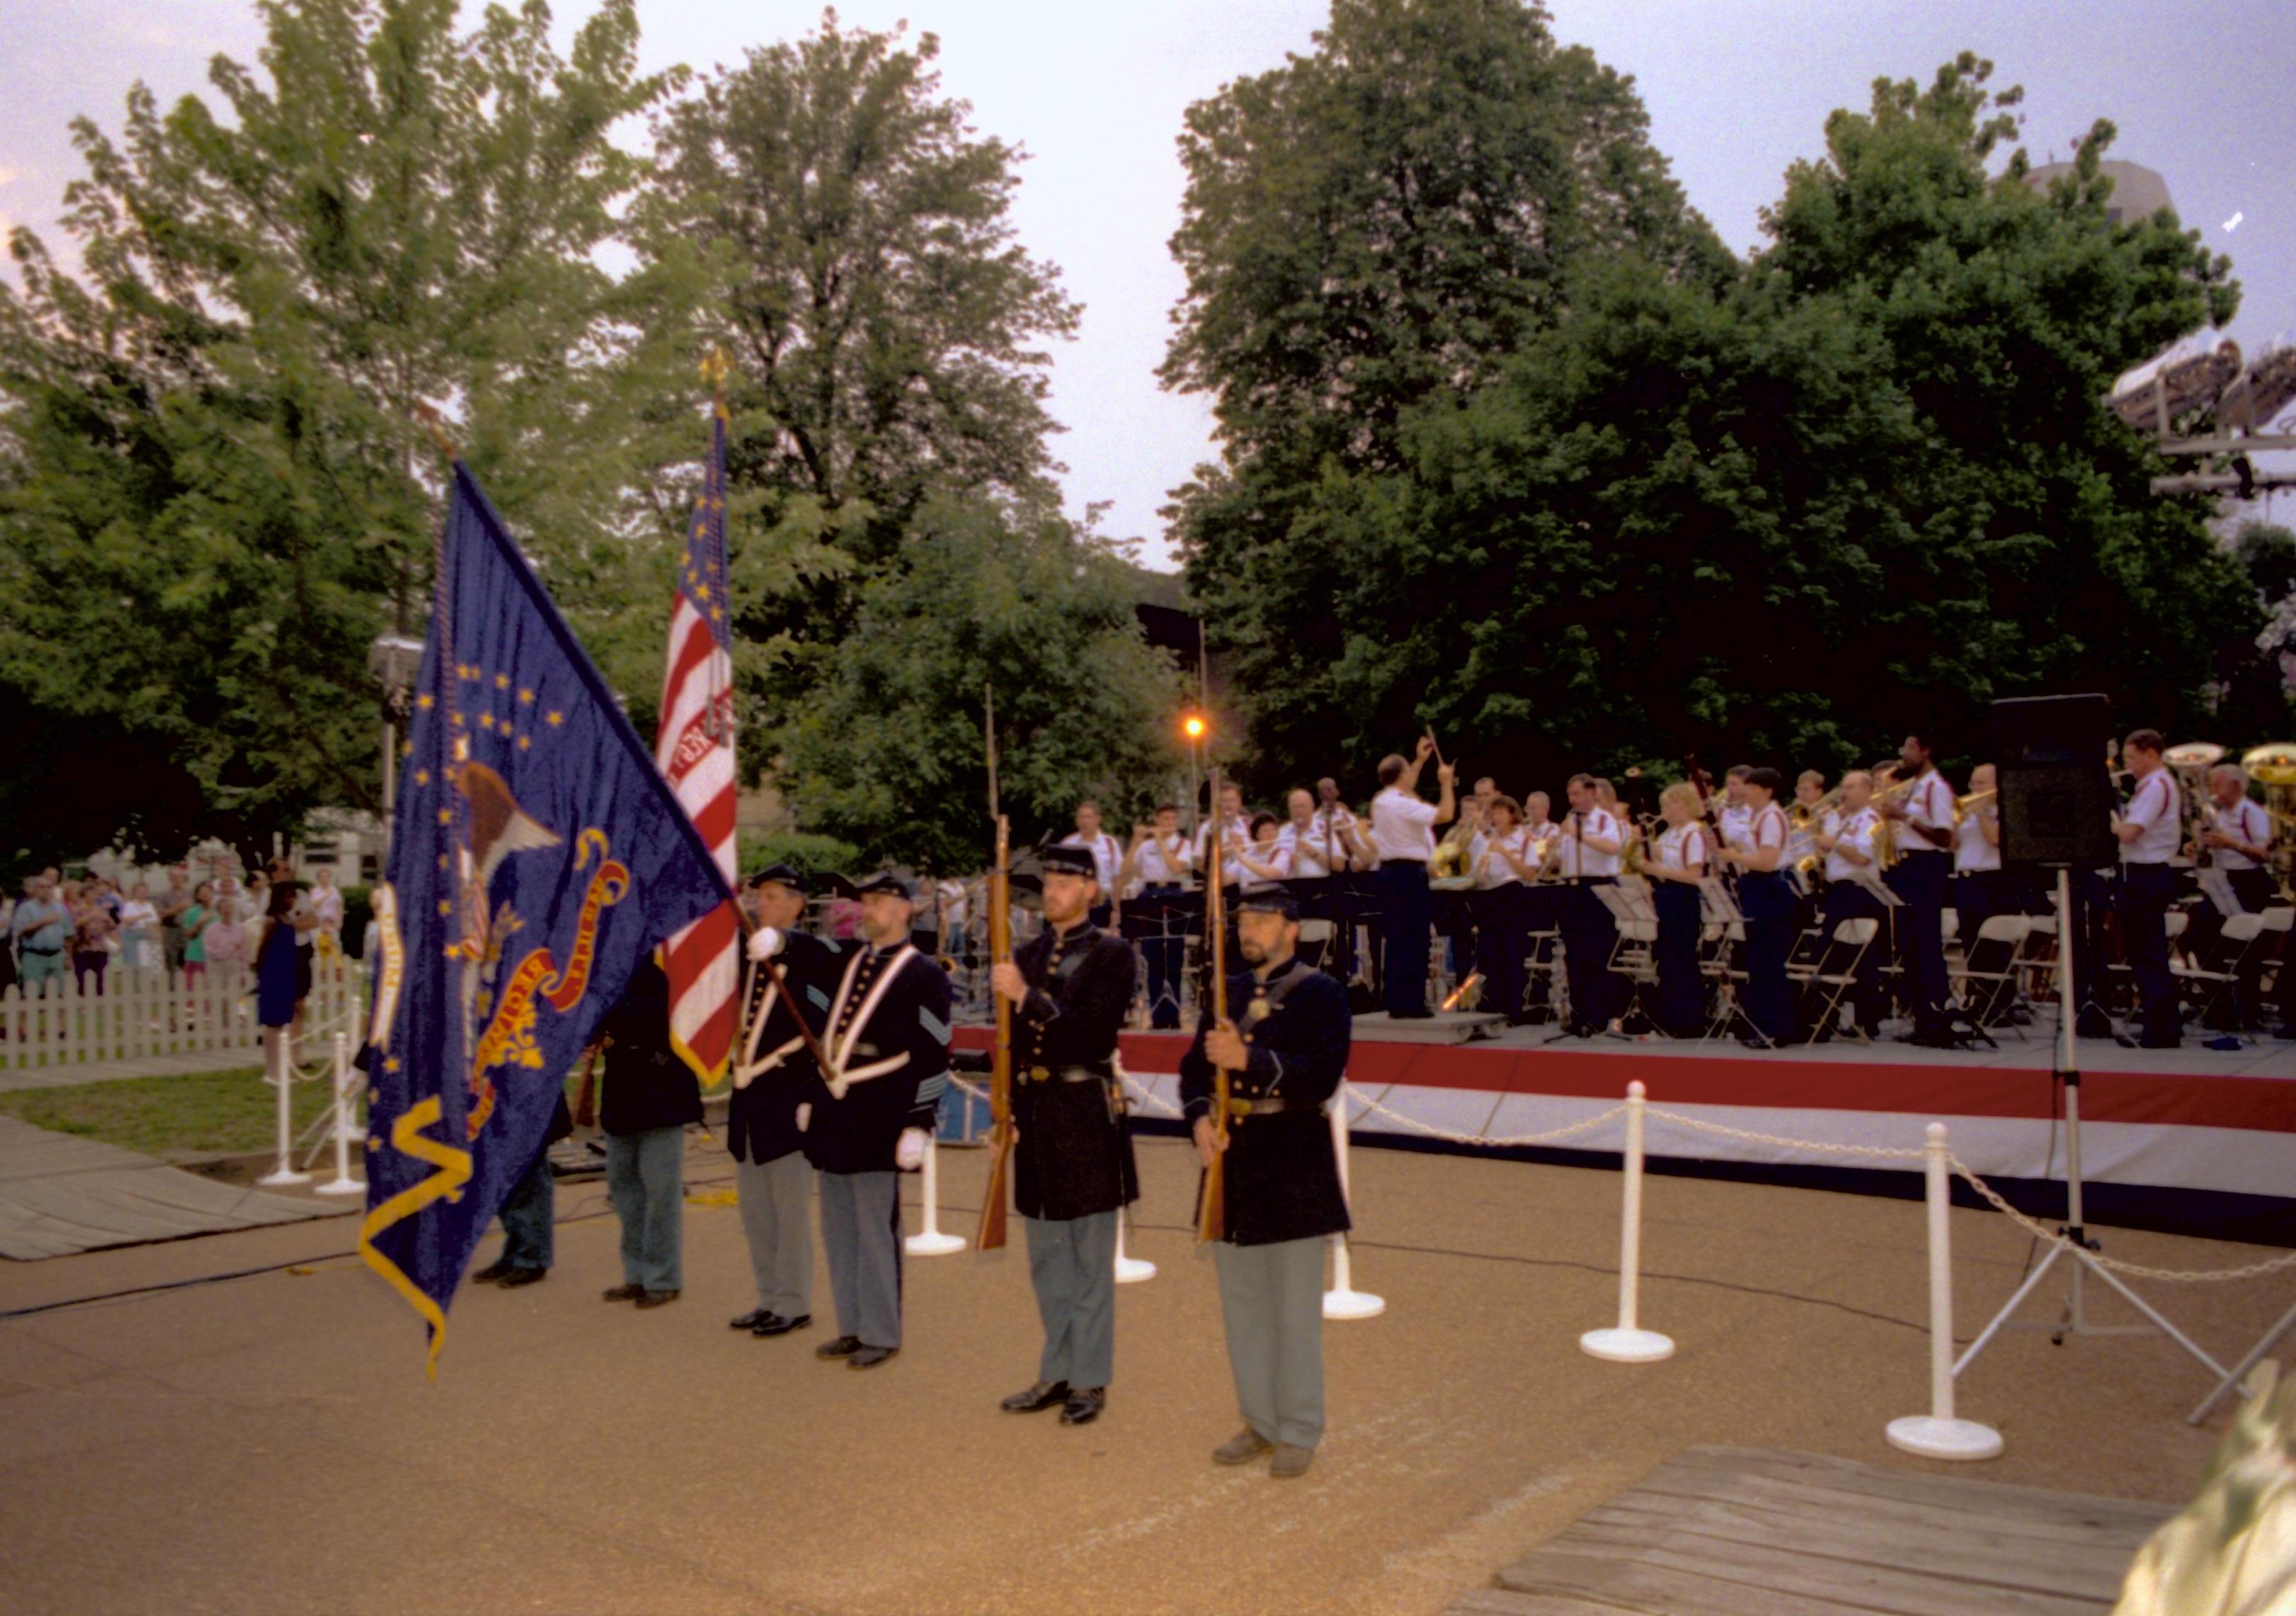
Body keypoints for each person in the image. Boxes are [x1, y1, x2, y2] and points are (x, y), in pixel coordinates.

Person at [1178, 883, 1351, 1481]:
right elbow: (1192, 1069)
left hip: (1294, 1163)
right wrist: (1200, 1116)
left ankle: (1300, 1427)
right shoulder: (1225, 992)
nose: (1247, 929)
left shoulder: (1322, 993)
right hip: (1234, 1164)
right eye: (1243, 919)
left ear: (1290, 929)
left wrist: (1247, 1061)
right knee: (1244, 1307)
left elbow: (1320, 1076)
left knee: (1294, 1312)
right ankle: (1260, 1420)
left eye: (1259, 920)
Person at [990, 844, 1139, 1427]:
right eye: (1048, 881)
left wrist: (1026, 997)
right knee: (1047, 1261)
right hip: (1038, 1117)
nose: (1051, 890)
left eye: (1064, 882)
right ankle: (1056, 1370)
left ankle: (1090, 1379)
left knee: (1088, 1260)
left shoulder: (1113, 954)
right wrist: (1006, 1113)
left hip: (1085, 1114)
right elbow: (1011, 1047)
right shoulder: (1026, 952)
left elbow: (1093, 1035)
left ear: (1089, 891)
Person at [801, 872, 952, 1370]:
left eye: (880, 902)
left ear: (907, 909)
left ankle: (882, 1332)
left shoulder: (924, 974)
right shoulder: (849, 964)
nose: (869, 910)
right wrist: (810, 1094)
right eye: (865, 902)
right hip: (838, 1108)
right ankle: (850, 1325)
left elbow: (934, 1054)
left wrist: (919, 1122)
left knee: (874, 1227)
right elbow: (823, 1032)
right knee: (838, 1227)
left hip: (882, 1111)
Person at [728, 865, 840, 1339]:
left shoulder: (810, 955)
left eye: (773, 897)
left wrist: (785, 944)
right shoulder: (746, 956)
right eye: (759, 897)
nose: (763, 905)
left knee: (789, 1209)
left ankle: (794, 1302)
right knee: (756, 1208)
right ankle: (768, 1295)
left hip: (787, 1092)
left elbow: (827, 969)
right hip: (750, 1096)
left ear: (797, 903)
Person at [596, 954, 702, 1307]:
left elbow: (652, 1019)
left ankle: (663, 1277)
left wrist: (608, 1023)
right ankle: (636, 1274)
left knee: (660, 1190)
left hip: (660, 1087)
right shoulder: (609, 967)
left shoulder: (665, 966)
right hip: (621, 1088)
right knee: (624, 1187)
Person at [1876, 734, 1956, 1045]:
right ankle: (1921, 1018)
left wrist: (1903, 817)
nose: (1903, 754)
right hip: (1908, 866)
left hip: (1927, 866)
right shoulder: (1916, 786)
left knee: (1925, 941)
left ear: (1926, 751)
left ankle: (1936, 1015)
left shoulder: (1937, 787)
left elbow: (1944, 837)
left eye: (1909, 748)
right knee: (1909, 944)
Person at [1370, 736, 1455, 1019]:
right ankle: (1412, 1003)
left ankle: (1397, 1000)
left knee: (1396, 938)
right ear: (1402, 775)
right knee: (1416, 938)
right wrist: (1445, 781)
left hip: (1390, 873)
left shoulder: (1382, 801)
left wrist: (1419, 761)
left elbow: (1406, 785)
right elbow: (1445, 814)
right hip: (1408, 873)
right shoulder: (1402, 805)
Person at [2112, 729, 2182, 1048]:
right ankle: (2158, 1019)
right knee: (2142, 951)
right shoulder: (2150, 786)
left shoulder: (2156, 786)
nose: (2129, 765)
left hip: (2147, 872)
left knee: (2148, 950)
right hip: (2140, 871)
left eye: (2132, 758)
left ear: (2150, 753)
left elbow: (2129, 833)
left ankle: (2161, 1026)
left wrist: (2112, 819)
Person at [1718, 767, 1794, 1045]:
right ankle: (1761, 1023)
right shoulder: (1758, 816)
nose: (1745, 792)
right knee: (1758, 960)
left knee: (1769, 959)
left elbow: (1767, 861)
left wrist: (1733, 855)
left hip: (1769, 888)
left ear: (1766, 791)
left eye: (1751, 788)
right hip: (1758, 887)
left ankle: (1776, 1027)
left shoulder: (1772, 818)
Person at [470, 1087, 573, 1289]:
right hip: (499, 1102)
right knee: (504, 1187)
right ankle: (515, 1253)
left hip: (530, 1103)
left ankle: (532, 1259)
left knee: (530, 1185)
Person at [1812, 770, 1889, 1038]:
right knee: (1829, 954)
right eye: (1843, 787)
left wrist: (1834, 843)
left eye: (1851, 788)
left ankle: (1867, 1021)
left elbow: (1862, 858)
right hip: (1837, 890)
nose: (1844, 793)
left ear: (1867, 791)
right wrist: (1821, 834)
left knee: (1861, 959)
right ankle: (1826, 1018)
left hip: (1860, 891)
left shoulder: (1872, 819)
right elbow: (1824, 852)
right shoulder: (1838, 819)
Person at [1551, 773, 1624, 1036]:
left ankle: (1599, 1014)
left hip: (1598, 887)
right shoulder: (1570, 821)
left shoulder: (1604, 819)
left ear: (1592, 793)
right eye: (1570, 795)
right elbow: (1560, 856)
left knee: (1597, 952)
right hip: (1572, 887)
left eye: (1578, 794)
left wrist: (1579, 835)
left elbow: (1612, 846)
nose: (1573, 800)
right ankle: (1578, 1013)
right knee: (1575, 953)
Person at [1118, 804, 1193, 1028]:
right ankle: (1157, 1017)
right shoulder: (1146, 846)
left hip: (1175, 894)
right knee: (1153, 958)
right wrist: (1136, 841)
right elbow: (1125, 870)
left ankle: (1175, 1014)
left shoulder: (1183, 844)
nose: (1168, 823)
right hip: (1150, 895)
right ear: (1157, 820)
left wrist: (1160, 842)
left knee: (1174, 958)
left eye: (1172, 819)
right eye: (1164, 819)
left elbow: (1177, 868)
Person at [1646, 782, 1711, 1038]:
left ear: (1685, 805)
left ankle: (1690, 1020)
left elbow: (1694, 875)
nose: (1666, 810)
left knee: (1682, 957)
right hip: (1666, 895)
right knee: (1666, 957)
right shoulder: (1669, 834)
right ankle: (1670, 1015)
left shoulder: (1693, 833)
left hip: (1683, 896)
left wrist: (1662, 871)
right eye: (1664, 805)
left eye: (1671, 804)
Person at [1471, 795, 1541, 1025]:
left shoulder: (1523, 839)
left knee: (1512, 951)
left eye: (1501, 813)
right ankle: (1493, 1000)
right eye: (1493, 814)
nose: (1497, 818)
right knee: (1491, 951)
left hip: (1513, 894)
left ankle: (1513, 1005)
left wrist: (1506, 853)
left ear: (1511, 815)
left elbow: (1530, 874)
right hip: (1490, 895)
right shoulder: (1487, 840)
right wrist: (1480, 870)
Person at [1952, 763, 2005, 945]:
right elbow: (1952, 845)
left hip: (1991, 879)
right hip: (1965, 879)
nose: (1975, 789)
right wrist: (1955, 824)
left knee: (1992, 943)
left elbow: (1995, 840)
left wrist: (1982, 813)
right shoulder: (1967, 811)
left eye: (1981, 783)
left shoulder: (2002, 811)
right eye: (1972, 784)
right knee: (1969, 938)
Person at [1058, 801, 1125, 929]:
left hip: (1101, 903)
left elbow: (1118, 878)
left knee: (1099, 945)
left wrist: (1116, 909)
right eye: (1081, 817)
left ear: (1098, 819)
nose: (1085, 821)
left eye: (1089, 817)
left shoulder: (1109, 844)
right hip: (1076, 903)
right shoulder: (1068, 844)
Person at [11, 877, 70, 992]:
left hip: (56, 956)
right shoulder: (26, 908)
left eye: (49, 887)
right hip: (34, 956)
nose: (46, 890)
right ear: (35, 890)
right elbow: (21, 932)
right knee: (33, 992)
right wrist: (43, 922)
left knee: (58, 993)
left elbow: (69, 934)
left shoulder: (60, 908)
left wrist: (68, 955)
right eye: (41, 887)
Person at [117, 882, 160, 977]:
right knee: (131, 962)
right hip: (132, 933)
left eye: (144, 891)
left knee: (146, 961)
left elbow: (155, 922)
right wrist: (141, 916)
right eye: (139, 891)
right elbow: (126, 921)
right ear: (135, 893)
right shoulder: (130, 905)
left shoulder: (149, 906)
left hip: (146, 933)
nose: (142, 893)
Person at [1233, 814, 1292, 882]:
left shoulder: (1282, 853)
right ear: (1257, 834)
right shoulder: (1248, 854)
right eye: (1265, 830)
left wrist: (1242, 859)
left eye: (1273, 830)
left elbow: (1270, 874)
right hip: (1246, 892)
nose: (1271, 833)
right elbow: (1228, 879)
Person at [158, 865, 193, 975]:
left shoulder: (190, 894)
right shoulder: (164, 896)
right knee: (170, 958)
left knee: (188, 958)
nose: (177, 879)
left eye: (179, 877)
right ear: (170, 879)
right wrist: (179, 907)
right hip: (171, 929)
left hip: (187, 930)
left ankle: (188, 985)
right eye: (174, 877)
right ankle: (172, 986)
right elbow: (162, 913)